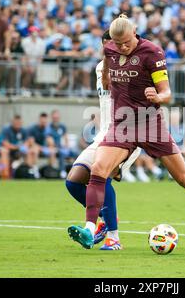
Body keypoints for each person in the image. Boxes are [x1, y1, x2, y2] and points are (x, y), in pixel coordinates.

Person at [67, 15, 185, 250]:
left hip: (149, 123)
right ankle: (90, 229)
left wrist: (158, 96)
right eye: (117, 44)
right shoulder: (111, 49)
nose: (121, 48)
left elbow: (167, 93)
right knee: (99, 169)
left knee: (183, 178)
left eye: (126, 43)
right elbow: (107, 69)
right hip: (121, 124)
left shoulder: (152, 52)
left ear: (135, 32)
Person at [65, 30, 141, 250]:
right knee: (73, 180)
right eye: (106, 43)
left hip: (127, 134)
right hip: (104, 134)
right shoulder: (100, 67)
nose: (110, 47)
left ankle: (114, 238)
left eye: (115, 43)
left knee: (102, 174)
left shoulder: (134, 66)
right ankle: (103, 224)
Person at [46, 109, 78, 179]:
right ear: (52, 118)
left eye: (57, 118)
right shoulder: (49, 127)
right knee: (61, 153)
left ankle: (77, 172)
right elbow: (50, 141)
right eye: (54, 118)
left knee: (76, 153)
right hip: (54, 148)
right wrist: (56, 146)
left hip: (62, 147)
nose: (56, 119)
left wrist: (66, 146)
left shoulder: (62, 126)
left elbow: (65, 137)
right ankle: (62, 172)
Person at [26, 112, 58, 176]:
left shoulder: (48, 130)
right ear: (39, 120)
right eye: (42, 121)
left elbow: (51, 143)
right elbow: (32, 143)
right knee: (35, 150)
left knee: (52, 151)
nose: (44, 123)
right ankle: (35, 170)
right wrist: (41, 148)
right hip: (35, 148)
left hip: (44, 149)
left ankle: (50, 170)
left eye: (45, 121)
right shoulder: (33, 129)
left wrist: (50, 144)